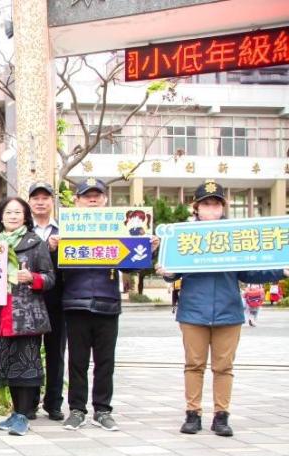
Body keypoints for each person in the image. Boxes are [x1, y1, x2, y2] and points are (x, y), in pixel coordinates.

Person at [158, 179, 289, 437]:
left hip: (229, 310)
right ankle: (192, 413)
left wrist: (280, 270)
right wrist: (167, 272)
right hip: (193, 310)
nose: (211, 209)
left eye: (216, 204)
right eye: (206, 204)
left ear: (222, 208)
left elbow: (249, 271)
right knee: (193, 364)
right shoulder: (184, 236)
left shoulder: (233, 237)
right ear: (196, 208)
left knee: (224, 367)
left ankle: (221, 415)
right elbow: (172, 271)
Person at [52, 178, 159, 432]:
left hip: (108, 302)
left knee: (105, 362)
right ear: (76, 201)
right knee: (76, 361)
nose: (92, 200)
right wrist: (52, 249)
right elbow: (52, 270)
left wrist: (149, 249)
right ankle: (77, 409)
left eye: (97, 196)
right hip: (75, 303)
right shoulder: (65, 230)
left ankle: (103, 410)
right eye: (86, 196)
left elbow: (132, 266)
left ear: (105, 200)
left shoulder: (118, 229)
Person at [0, 197, 55, 436]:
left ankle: (24, 414)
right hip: (0, 312)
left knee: (26, 364)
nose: (13, 216)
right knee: (9, 364)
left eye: (18, 212)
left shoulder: (36, 243)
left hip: (26, 314)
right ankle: (15, 412)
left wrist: (32, 278)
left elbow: (49, 278)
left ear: (25, 217)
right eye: (8, 212)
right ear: (0, 217)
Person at [27, 181, 65, 421]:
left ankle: (54, 403)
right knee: (29, 351)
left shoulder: (64, 231)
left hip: (58, 299)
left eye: (45, 197)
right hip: (28, 300)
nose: (40, 202)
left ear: (53, 201)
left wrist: (57, 249)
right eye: (36, 198)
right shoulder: (22, 231)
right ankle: (28, 403)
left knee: (56, 352)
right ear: (29, 202)